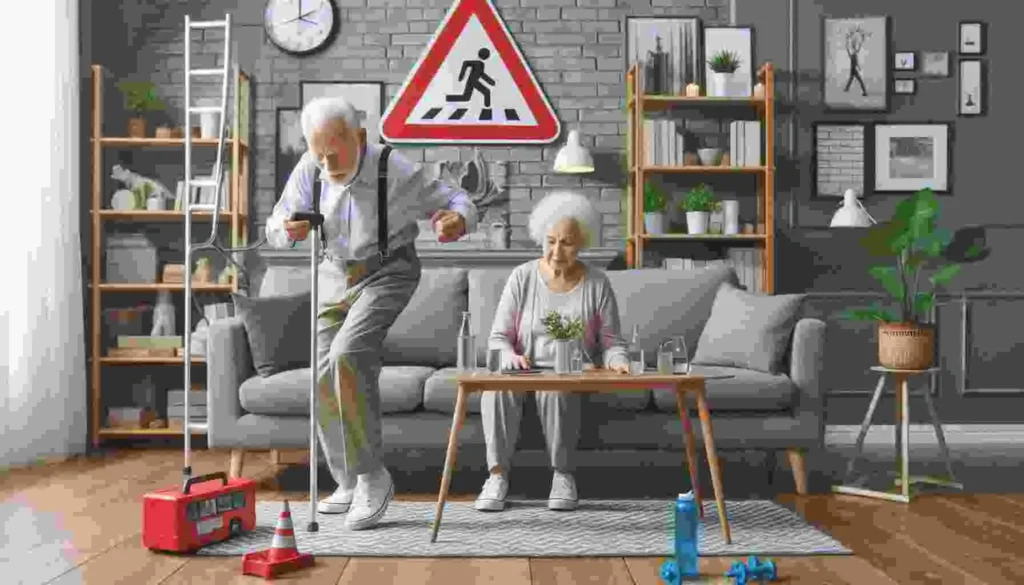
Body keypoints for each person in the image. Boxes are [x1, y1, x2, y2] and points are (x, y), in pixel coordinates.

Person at [265, 96, 478, 531]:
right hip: (333, 275)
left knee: (347, 354)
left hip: (389, 271)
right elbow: (275, 226)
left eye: (335, 151)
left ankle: (372, 477)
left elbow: (458, 199)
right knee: (323, 373)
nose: (326, 162)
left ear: (359, 137)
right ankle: (346, 479)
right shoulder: (310, 168)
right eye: (317, 151)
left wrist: (457, 220)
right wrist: (288, 231)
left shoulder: (393, 169)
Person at [476, 190, 630, 513]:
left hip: (570, 372)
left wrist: (620, 361)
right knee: (495, 388)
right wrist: (510, 356)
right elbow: (498, 338)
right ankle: (497, 477)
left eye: (567, 242)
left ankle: (563, 475)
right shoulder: (522, 277)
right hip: (523, 368)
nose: (557, 251)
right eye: (550, 240)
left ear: (582, 242)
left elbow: (612, 343)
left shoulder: (598, 284)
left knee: (555, 386)